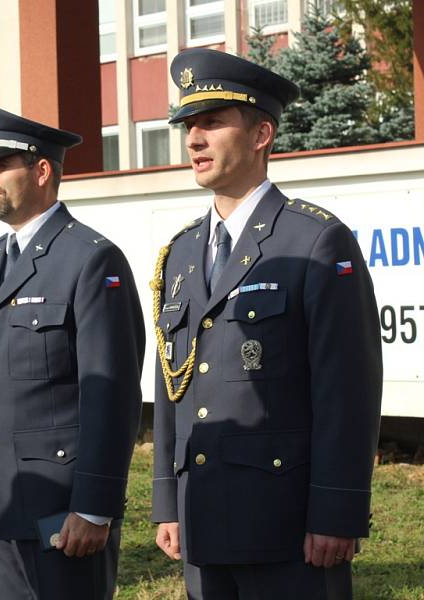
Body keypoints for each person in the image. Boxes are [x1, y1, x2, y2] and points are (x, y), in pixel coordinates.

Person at [150, 48, 383, 599]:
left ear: (261, 135)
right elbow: (169, 383)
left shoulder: (314, 241)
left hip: (287, 528)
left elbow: (346, 389)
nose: (193, 139)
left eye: (211, 122)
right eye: (188, 125)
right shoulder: (181, 253)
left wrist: (337, 509)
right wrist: (168, 500)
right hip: (201, 520)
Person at [0, 103, 145, 600]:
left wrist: (95, 506)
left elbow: (112, 393)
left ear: (42, 171)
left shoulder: (88, 258)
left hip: (61, 509)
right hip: (2, 502)